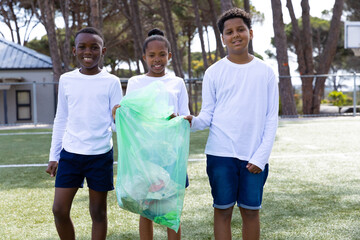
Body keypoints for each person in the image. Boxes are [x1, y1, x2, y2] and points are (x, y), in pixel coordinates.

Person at [184, 8, 279, 240]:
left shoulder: (266, 72)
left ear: (251, 33)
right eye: (229, 32)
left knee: (250, 212)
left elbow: (271, 118)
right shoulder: (213, 72)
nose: (235, 35)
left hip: (254, 157)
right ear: (222, 37)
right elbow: (206, 115)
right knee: (223, 210)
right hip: (220, 154)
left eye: (240, 30)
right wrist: (191, 122)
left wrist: (261, 157)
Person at [46, 27, 123, 240]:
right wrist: (54, 156)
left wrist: (119, 117)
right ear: (74, 50)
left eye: (94, 47)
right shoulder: (66, 80)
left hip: (100, 155)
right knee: (59, 210)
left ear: (103, 50)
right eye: (82, 47)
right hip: (70, 154)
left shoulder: (112, 81)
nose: (87, 52)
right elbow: (61, 118)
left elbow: (116, 125)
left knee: (98, 212)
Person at [112, 28, 189, 240]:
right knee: (145, 209)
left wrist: (177, 119)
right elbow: (131, 116)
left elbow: (186, 117)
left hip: (171, 156)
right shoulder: (136, 82)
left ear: (169, 56)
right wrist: (117, 113)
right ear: (144, 57)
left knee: (170, 209)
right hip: (145, 157)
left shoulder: (177, 82)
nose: (157, 59)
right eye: (152, 55)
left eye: (162, 54)